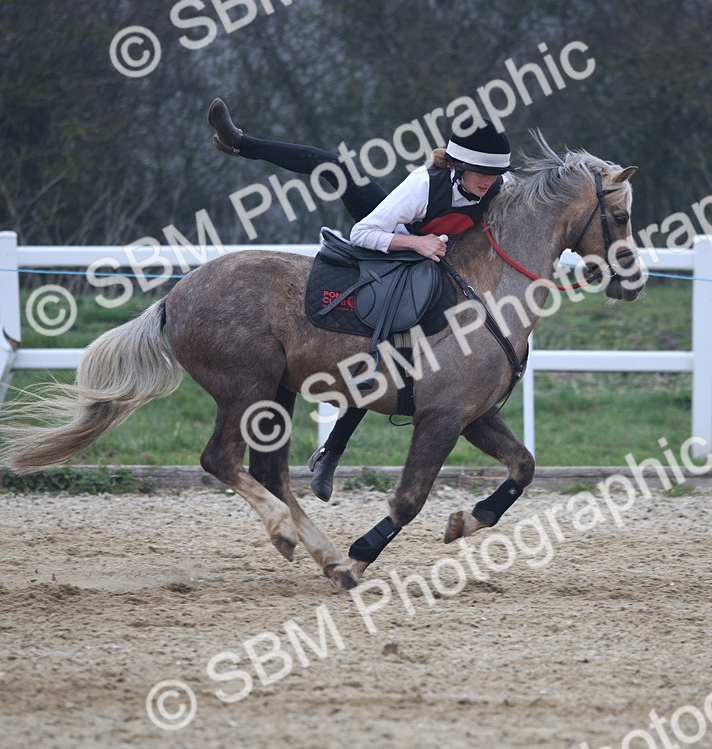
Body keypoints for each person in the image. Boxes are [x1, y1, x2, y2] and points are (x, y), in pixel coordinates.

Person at [207, 98, 513, 501]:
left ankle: (331, 450)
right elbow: (363, 234)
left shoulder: (501, 186)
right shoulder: (422, 185)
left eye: (495, 174)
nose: (489, 182)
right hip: (392, 238)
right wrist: (414, 242)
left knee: (403, 343)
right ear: (456, 165)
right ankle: (240, 141)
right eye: (481, 173)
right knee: (337, 166)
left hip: (434, 257)